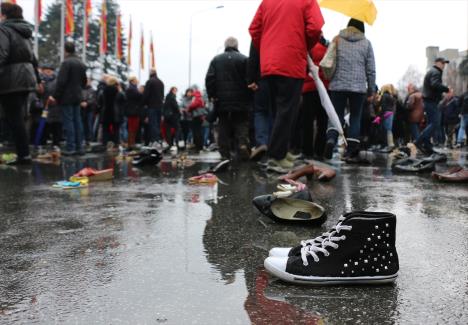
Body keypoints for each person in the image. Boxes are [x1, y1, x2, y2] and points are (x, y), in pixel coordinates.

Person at [249, 0, 324, 172]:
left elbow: (254, 29)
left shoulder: (267, 2)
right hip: (291, 59)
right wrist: (304, 44)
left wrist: (267, 47)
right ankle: (276, 157)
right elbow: (315, 28)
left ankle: (282, 150)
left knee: (278, 110)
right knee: (287, 110)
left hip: (269, 63)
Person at [324, 18, 376, 162]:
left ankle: (331, 140)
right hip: (358, 88)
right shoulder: (366, 43)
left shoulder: (337, 40)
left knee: (336, 115)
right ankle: (351, 151)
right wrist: (371, 90)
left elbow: (329, 60)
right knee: (355, 117)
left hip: (338, 85)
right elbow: (371, 70)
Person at [0, 2, 38, 164]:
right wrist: (38, 78)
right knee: (17, 118)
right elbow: (33, 57)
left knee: (13, 118)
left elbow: (2, 54)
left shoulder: (4, 29)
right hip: (26, 78)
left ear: (4, 15)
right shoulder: (25, 32)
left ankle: (24, 155)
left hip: (11, 78)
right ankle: (24, 154)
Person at [205, 37, 251, 161]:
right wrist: (249, 96)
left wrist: (212, 95)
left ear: (225, 46)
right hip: (241, 100)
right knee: (241, 123)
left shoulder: (216, 60)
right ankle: (242, 145)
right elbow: (249, 79)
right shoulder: (244, 59)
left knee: (223, 125)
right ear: (237, 45)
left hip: (222, 100)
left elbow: (210, 79)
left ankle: (224, 151)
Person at [52, 41, 87, 155]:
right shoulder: (81, 64)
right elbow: (84, 82)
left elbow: (61, 81)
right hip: (77, 96)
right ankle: (79, 147)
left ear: (65, 50)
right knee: (78, 121)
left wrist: (55, 95)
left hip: (66, 97)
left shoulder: (66, 63)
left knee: (69, 122)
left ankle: (70, 147)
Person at [300, 35, 329, 159]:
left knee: (307, 121)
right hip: (324, 89)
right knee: (322, 122)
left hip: (308, 88)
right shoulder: (327, 48)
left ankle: (307, 151)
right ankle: (319, 151)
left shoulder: (306, 47)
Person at [415, 57, 450, 154]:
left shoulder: (433, 71)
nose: (443, 65)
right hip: (431, 101)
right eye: (442, 63)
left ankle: (427, 145)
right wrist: (446, 89)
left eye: (444, 63)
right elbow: (435, 84)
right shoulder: (436, 72)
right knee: (435, 123)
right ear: (436, 63)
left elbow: (433, 86)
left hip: (429, 100)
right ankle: (419, 141)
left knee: (431, 123)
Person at [247, 42, 271, 162]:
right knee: (277, 111)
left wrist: (251, 79)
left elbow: (253, 56)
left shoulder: (260, 30)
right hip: (282, 74)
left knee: (261, 112)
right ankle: (276, 146)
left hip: (262, 76)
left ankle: (262, 143)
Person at [100, 77, 126, 148]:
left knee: (105, 129)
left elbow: (100, 101)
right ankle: (116, 143)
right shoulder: (118, 92)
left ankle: (104, 143)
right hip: (115, 113)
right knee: (116, 129)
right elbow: (123, 100)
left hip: (106, 112)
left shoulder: (104, 91)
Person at [142, 68, 164, 146]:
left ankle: (155, 140)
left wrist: (143, 103)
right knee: (157, 124)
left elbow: (146, 94)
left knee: (153, 124)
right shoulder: (161, 82)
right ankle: (159, 140)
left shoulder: (149, 82)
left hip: (151, 106)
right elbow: (162, 95)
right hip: (160, 106)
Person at [375, 84, 397, 152]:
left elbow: (383, 106)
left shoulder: (384, 95)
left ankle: (387, 145)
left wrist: (379, 115)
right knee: (389, 129)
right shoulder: (390, 96)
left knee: (385, 129)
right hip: (390, 113)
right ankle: (390, 144)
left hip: (386, 113)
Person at [125, 76, 143, 149]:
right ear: (132, 81)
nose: (137, 81)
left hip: (132, 111)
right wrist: (141, 92)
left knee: (133, 127)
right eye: (136, 80)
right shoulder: (132, 89)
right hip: (133, 111)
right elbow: (138, 96)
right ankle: (131, 143)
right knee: (132, 127)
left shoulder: (131, 88)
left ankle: (131, 143)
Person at [187, 87, 206, 152]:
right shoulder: (200, 98)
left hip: (196, 117)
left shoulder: (197, 98)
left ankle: (198, 147)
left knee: (196, 132)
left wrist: (189, 108)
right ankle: (199, 146)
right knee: (199, 132)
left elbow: (193, 105)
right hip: (199, 117)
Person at [81, 78, 97, 145]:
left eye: (88, 81)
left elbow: (93, 99)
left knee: (89, 124)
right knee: (81, 124)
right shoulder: (80, 89)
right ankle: (82, 138)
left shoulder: (92, 90)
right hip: (81, 109)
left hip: (89, 110)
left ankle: (89, 139)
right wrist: (81, 102)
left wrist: (87, 103)